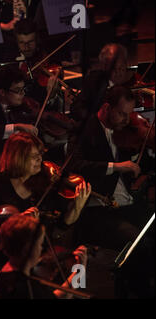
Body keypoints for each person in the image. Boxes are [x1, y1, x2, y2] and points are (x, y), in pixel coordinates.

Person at [67, 86, 154, 297]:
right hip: (99, 210)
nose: (126, 120)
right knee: (138, 243)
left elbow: (144, 162)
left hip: (127, 204)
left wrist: (150, 144)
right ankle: (133, 290)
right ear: (106, 108)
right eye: (121, 114)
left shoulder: (125, 132)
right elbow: (76, 166)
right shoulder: (84, 131)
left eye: (129, 114)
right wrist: (115, 167)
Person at [0, 132, 91, 248]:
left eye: (40, 154)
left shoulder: (45, 184)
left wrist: (76, 208)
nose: (40, 159)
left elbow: (61, 225)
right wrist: (19, 223)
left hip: (37, 250)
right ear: (18, 158)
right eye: (34, 156)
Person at [0, 214, 88, 299]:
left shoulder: (4, 271)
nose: (41, 249)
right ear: (27, 248)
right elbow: (62, 297)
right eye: (40, 244)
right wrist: (79, 272)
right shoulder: (28, 288)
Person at [70, 43, 132, 125]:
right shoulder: (95, 81)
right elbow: (78, 108)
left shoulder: (126, 84)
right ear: (104, 66)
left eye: (122, 67)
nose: (119, 72)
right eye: (115, 68)